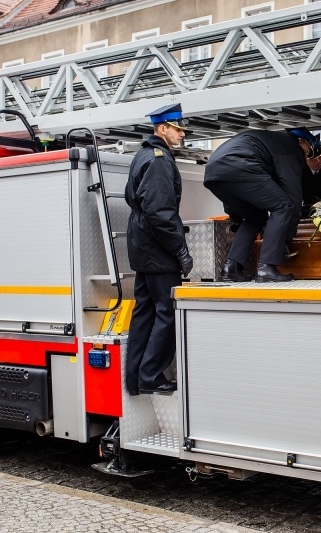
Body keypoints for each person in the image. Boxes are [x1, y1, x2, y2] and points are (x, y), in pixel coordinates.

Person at [124, 103, 193, 396]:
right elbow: (161, 213)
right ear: (162, 128)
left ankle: (136, 378)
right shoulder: (159, 160)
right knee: (167, 311)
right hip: (158, 250)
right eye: (177, 129)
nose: (182, 134)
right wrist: (180, 251)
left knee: (145, 312)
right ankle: (151, 376)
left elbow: (132, 198)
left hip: (144, 247)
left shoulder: (142, 155)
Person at [204, 128, 320, 283]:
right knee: (284, 206)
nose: (307, 155)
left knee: (255, 217)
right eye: (308, 150)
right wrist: (285, 240)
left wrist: (235, 216)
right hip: (239, 166)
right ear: (301, 141)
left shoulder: (271, 140)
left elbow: (235, 197)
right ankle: (266, 268)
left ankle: (231, 268)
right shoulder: (291, 148)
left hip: (213, 172)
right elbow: (293, 197)